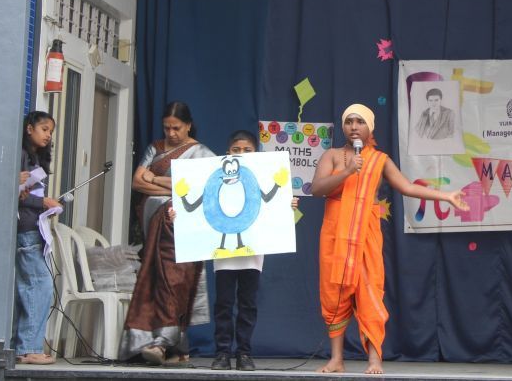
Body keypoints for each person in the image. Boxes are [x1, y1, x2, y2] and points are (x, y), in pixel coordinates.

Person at [313, 104, 467, 374]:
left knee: (369, 293)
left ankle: (375, 360)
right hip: (335, 235)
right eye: (349, 121)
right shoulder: (333, 155)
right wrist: (347, 171)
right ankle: (336, 359)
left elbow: (407, 187)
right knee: (334, 292)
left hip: (365, 236)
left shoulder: (379, 160)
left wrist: (446, 196)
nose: (353, 127)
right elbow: (317, 189)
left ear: (370, 127)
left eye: (360, 121)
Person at [119, 101, 215, 365]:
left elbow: (200, 189)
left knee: (176, 282)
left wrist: (156, 179)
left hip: (181, 228)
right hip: (153, 227)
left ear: (188, 126)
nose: (171, 133)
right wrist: (174, 187)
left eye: (176, 128)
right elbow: (137, 181)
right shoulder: (155, 148)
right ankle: (176, 347)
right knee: (157, 282)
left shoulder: (201, 153)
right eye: (167, 128)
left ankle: (163, 342)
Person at [206, 130, 298, 371]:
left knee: (247, 304)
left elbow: (270, 200)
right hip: (224, 254)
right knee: (224, 303)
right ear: (227, 153)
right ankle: (222, 353)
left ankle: (244, 353)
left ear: (256, 153)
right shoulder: (216, 179)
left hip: (253, 253)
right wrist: (180, 213)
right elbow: (200, 205)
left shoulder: (259, 179)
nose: (242, 154)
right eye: (236, 150)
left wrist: (286, 202)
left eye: (247, 150)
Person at [13, 111, 61, 365]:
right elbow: (16, 195)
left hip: (34, 227)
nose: (48, 135)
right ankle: (29, 347)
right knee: (39, 284)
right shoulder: (19, 155)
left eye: (51, 131)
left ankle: (19, 346)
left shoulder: (34, 158)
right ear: (29, 128)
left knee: (28, 286)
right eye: (44, 129)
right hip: (26, 230)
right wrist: (42, 202)